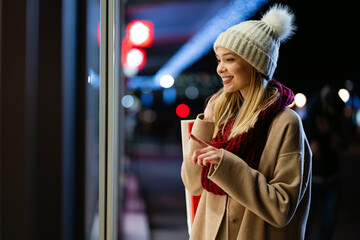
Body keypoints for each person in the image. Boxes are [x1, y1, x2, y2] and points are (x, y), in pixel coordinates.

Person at [181, 5, 312, 240]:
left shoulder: (285, 123)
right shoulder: (222, 116)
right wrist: (207, 123)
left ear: (255, 65)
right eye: (219, 59)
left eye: (229, 59)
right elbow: (192, 184)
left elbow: (282, 207)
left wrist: (227, 165)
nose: (220, 68)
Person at [304, 84, 352, 240]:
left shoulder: (339, 109)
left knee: (330, 217)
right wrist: (312, 141)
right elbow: (301, 135)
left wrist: (339, 141)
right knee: (306, 217)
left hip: (332, 173)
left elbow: (346, 139)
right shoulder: (312, 107)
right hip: (312, 175)